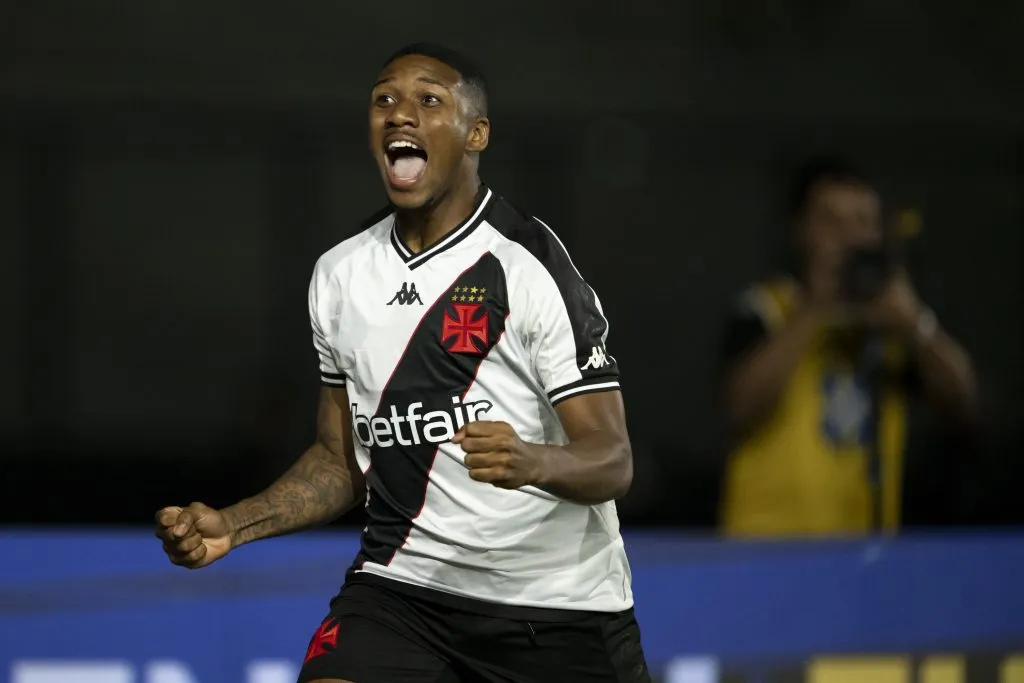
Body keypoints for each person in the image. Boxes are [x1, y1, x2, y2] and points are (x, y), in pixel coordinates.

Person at [154, 42, 651, 683]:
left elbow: (613, 461)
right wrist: (234, 525)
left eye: (429, 100)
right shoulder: (339, 275)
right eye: (384, 99)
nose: (399, 115)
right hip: (403, 593)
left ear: (477, 133)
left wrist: (535, 460)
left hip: (555, 611)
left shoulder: (529, 268)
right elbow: (341, 460)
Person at [718, 157, 978, 536]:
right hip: (766, 553)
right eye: (832, 222)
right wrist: (817, 308)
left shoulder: (894, 324)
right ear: (800, 229)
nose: (850, 238)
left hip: (864, 556)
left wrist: (916, 325)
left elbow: (964, 408)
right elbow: (739, 408)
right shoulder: (766, 309)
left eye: (863, 222)